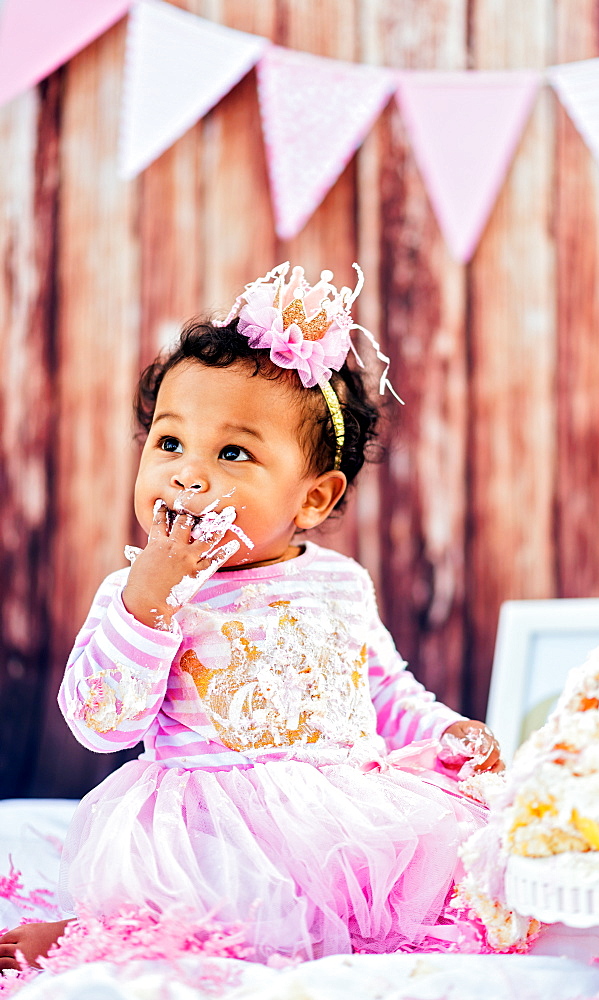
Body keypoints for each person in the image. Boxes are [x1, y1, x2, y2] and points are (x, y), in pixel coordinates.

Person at [0, 263, 501, 971]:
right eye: (169, 444)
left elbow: (384, 692)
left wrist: (445, 731)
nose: (188, 473)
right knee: (200, 922)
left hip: (340, 822)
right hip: (207, 827)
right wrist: (150, 602)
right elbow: (100, 722)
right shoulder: (134, 590)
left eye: (233, 452)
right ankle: (86, 938)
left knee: (457, 878)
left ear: (314, 499)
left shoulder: (338, 583)